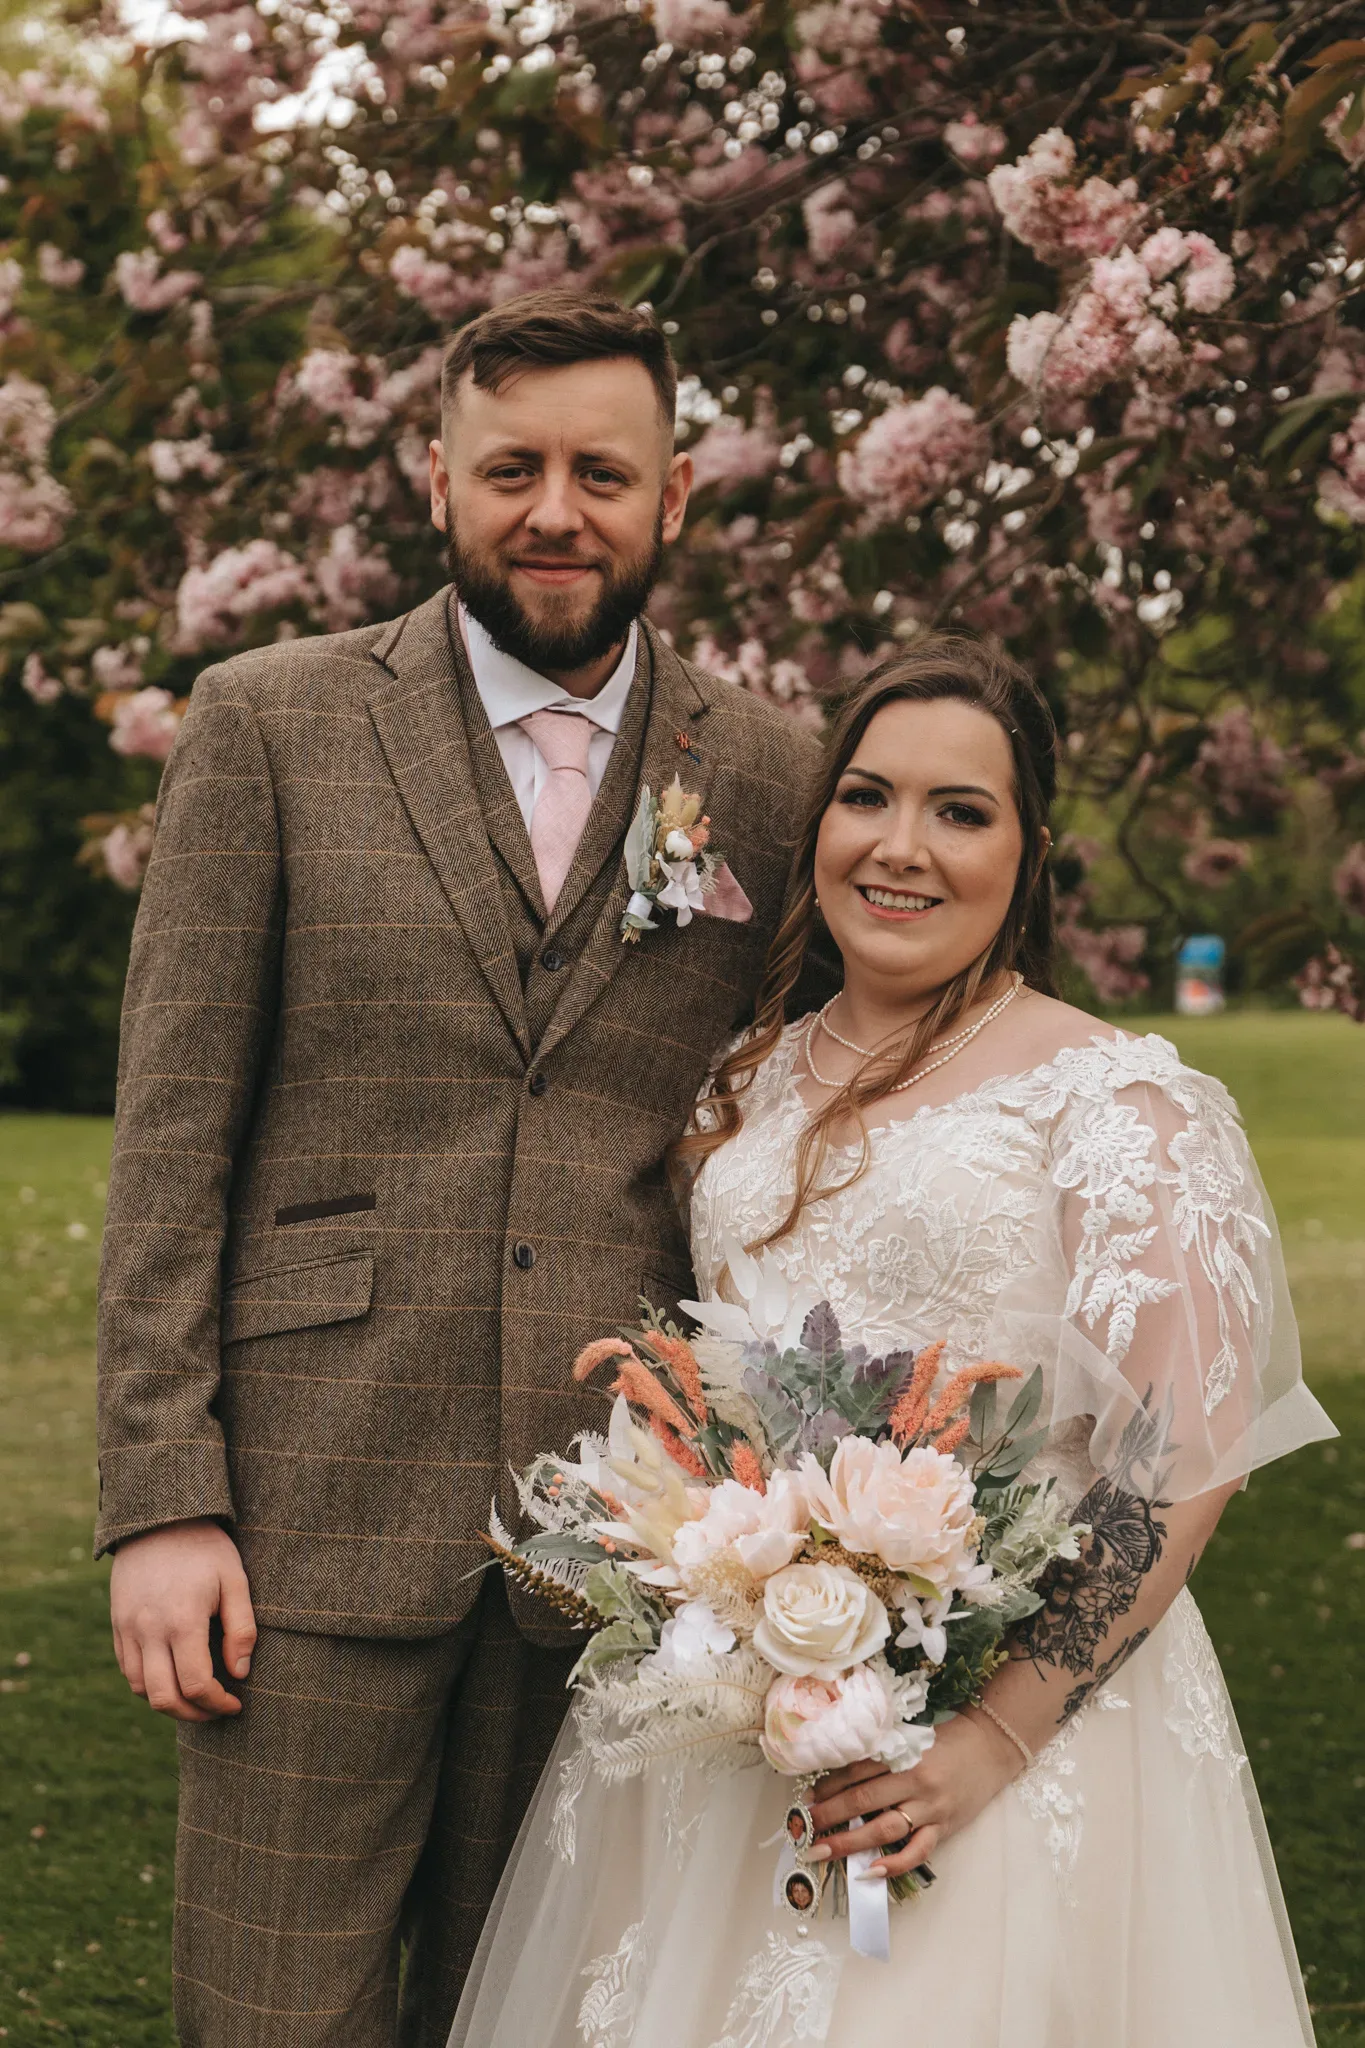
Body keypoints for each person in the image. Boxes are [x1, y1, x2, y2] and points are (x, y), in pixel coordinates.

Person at [94, 289, 833, 2046]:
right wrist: (161, 1501)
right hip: (305, 1524)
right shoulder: (269, 720)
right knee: (277, 2014)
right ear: (438, 478)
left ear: (676, 503)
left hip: (628, 1551)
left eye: (602, 471)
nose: (554, 510)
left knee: (550, 2023)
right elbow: (172, 1130)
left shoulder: (782, 775)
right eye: (512, 468)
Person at [448, 636, 1336, 2048]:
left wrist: (994, 1737)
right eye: (866, 799)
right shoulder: (742, 1084)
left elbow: (1183, 1446)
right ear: (818, 832)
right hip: (718, 1728)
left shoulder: (1118, 1104)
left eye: (959, 811)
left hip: (1005, 1728)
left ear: (1029, 851)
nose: (900, 848)